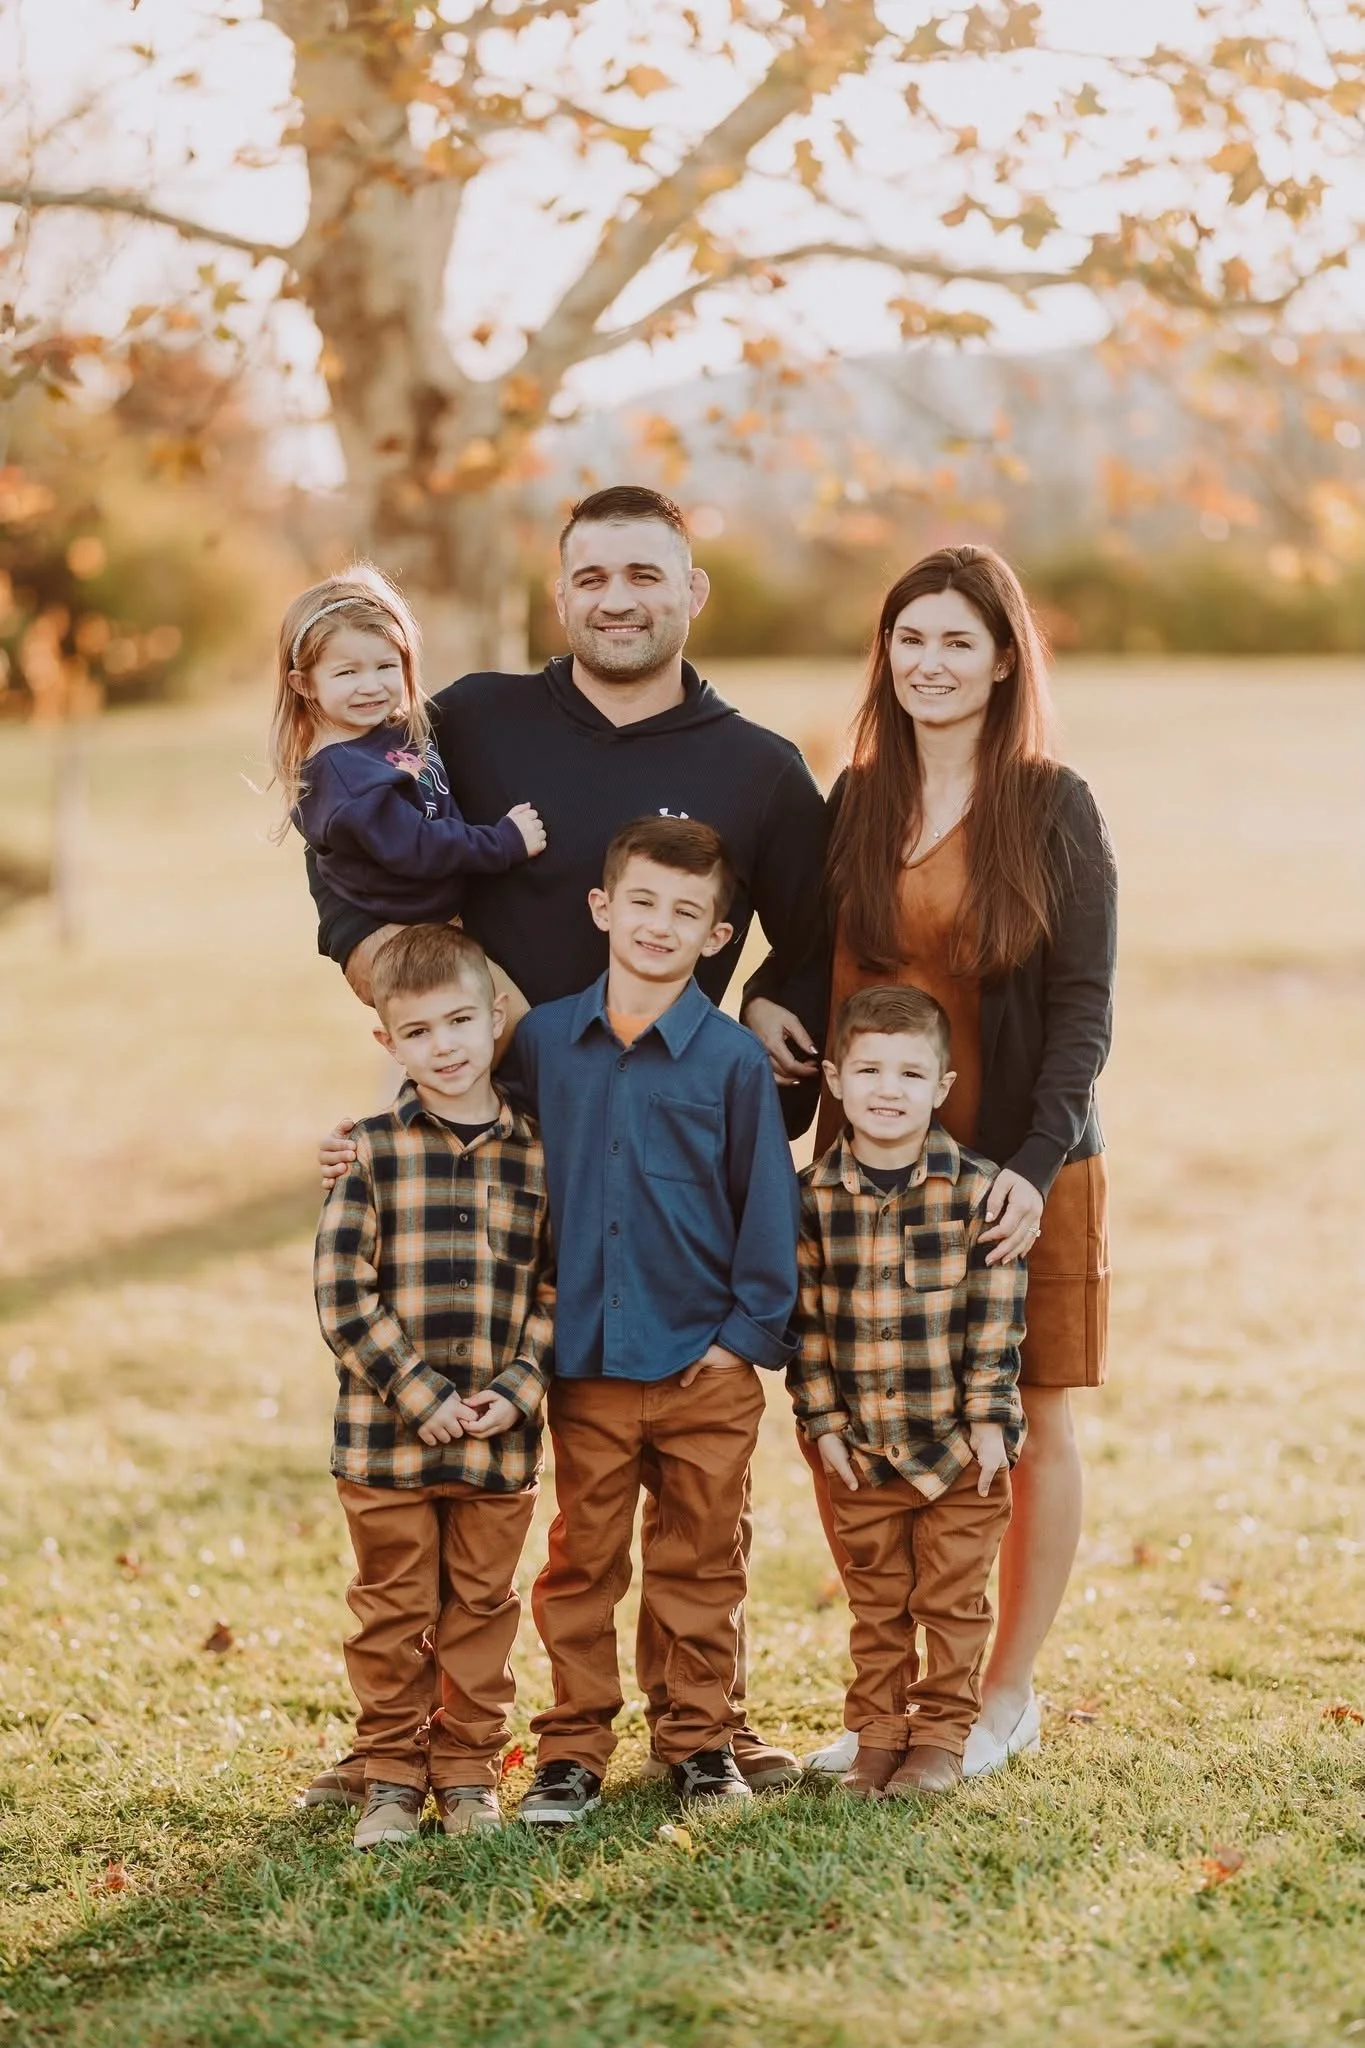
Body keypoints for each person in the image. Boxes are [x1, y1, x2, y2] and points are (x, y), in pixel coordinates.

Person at [305, 485, 827, 1808]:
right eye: (592, 575)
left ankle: (695, 1725)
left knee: (676, 1492)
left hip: (663, 1165)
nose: (618, 599)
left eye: (645, 574)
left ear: (691, 591)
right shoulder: (472, 721)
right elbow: (354, 871)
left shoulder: (760, 766)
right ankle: (412, 1750)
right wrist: (440, 1015)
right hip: (480, 1157)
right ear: (561, 591)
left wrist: (779, 1002)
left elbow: (818, 937)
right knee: (448, 1476)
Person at [757, 543, 1117, 1778]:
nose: (931, 662)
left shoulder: (1053, 803)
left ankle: (1001, 1692)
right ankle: (894, 1702)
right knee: (850, 1414)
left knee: (1032, 1414)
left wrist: (1032, 1157)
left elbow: (1084, 1005)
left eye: (959, 639)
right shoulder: (854, 798)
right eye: (911, 638)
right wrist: (770, 1004)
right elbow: (814, 954)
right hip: (872, 1174)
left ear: (1006, 657)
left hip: (1023, 1163)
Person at [507, 815, 800, 1823]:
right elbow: (486, 1155)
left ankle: (700, 1740)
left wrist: (740, 1341)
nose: (660, 925)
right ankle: (573, 1748)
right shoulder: (544, 1040)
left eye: (687, 913)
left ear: (719, 935)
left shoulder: (730, 1062)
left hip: (704, 1368)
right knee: (581, 1563)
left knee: (702, 1562)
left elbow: (768, 1205)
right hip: (584, 1363)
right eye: (642, 902)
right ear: (602, 907)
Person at [313, 923, 555, 1849]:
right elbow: (343, 1294)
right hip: (385, 1444)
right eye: (416, 1032)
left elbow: (556, 1288)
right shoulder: (366, 1153)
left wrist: (518, 1386)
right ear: (386, 1042)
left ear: (497, 1017)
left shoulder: (536, 1156)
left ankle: (467, 1772)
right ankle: (388, 1777)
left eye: (460, 1020)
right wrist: (422, 1396)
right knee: (392, 1610)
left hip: (498, 1441)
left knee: (483, 1609)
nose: (444, 1046)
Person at [788, 984, 1027, 1797]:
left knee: (953, 1603)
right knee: (877, 1604)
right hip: (864, 1452)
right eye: (868, 1071)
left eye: (909, 1074)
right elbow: (809, 1323)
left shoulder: (977, 1192)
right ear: (834, 1078)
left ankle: (941, 1737)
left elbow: (996, 1320)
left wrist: (989, 1424)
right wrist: (820, 1420)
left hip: (959, 1452)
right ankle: (879, 1736)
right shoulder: (812, 1198)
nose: (887, 1090)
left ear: (942, 1088)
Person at [269, 563, 546, 1031]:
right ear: (303, 684)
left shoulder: (383, 734)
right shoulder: (348, 779)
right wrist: (504, 842)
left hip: (449, 919)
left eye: (385, 666)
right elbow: (421, 847)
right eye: (347, 672)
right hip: (420, 936)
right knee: (513, 1027)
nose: (371, 685)